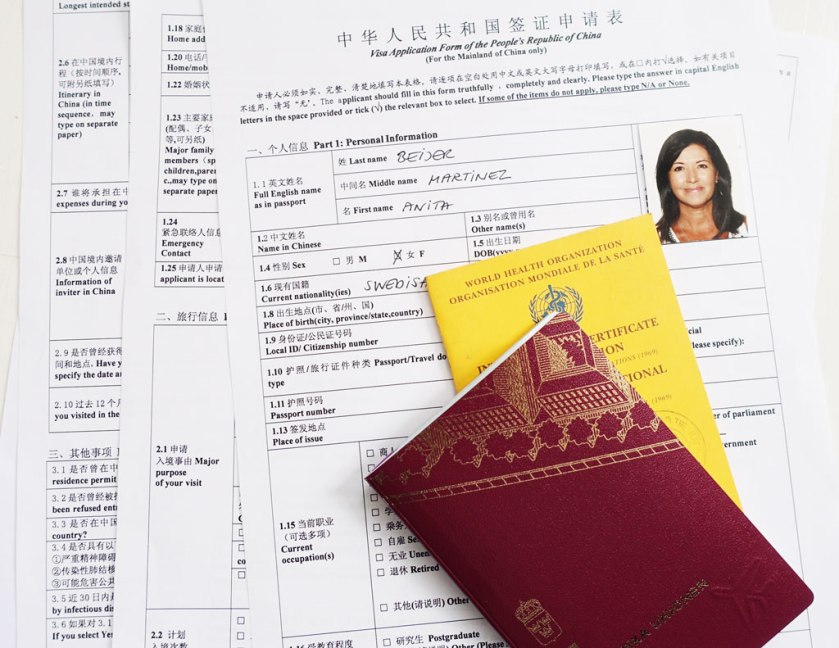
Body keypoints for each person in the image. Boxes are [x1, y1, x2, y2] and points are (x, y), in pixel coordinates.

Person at [654, 129, 748, 244]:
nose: (692, 178)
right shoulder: (652, 242)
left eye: (702, 166)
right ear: (667, 179)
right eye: (679, 168)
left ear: (716, 173)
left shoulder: (749, 227)